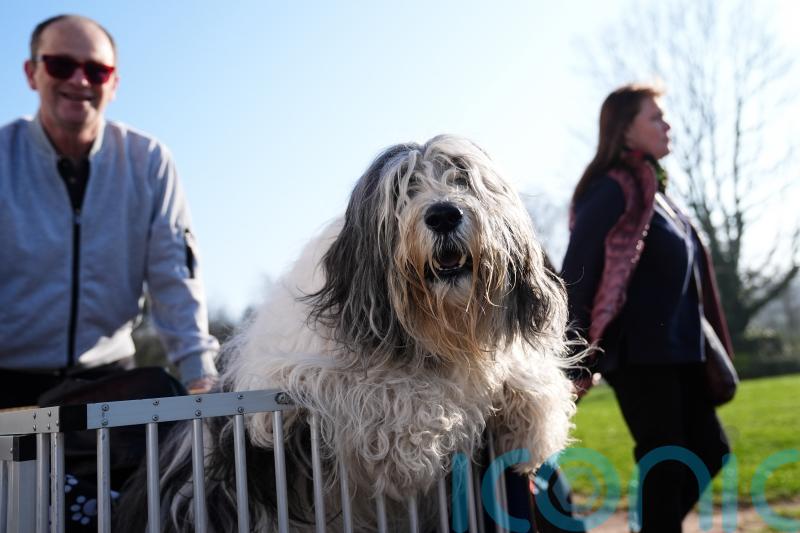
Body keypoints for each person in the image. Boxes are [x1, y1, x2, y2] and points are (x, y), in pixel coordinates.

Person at [0, 14, 219, 408]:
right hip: (8, 383)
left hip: (107, 381)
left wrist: (199, 374)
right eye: (61, 65)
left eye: (97, 70)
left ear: (114, 84)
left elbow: (174, 274)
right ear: (32, 73)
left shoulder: (149, 161)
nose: (80, 80)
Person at [561, 84, 733, 532]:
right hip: (640, 356)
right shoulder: (612, 189)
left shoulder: (658, 195)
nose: (667, 124)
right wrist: (571, 351)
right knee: (667, 465)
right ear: (624, 131)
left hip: (681, 354)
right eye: (654, 117)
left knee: (711, 452)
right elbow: (578, 266)